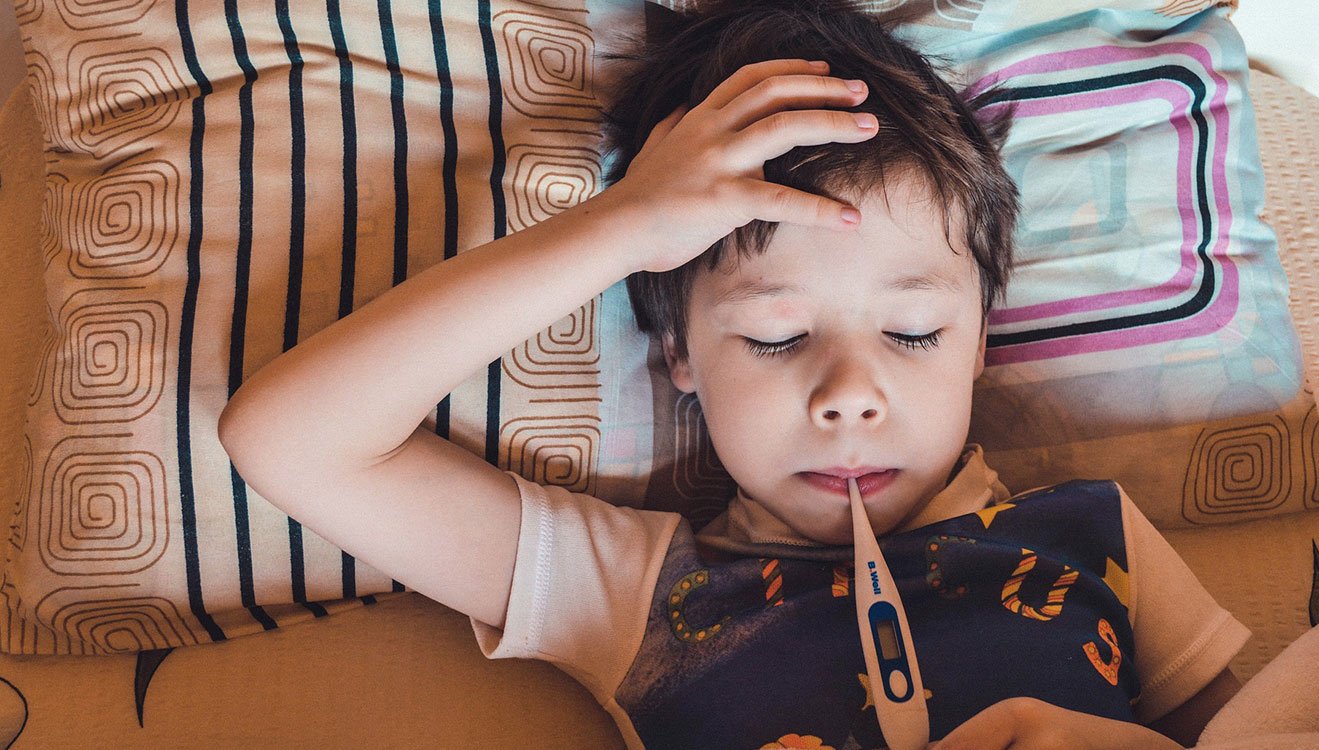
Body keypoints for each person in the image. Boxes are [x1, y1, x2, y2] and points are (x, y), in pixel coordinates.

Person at [216, 1, 1250, 747]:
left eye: (913, 331)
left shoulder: (1095, 535)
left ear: (982, 336)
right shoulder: (636, 594)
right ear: (678, 355)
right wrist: (621, 229)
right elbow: (293, 443)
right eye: (771, 337)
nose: (849, 391)